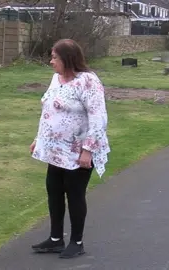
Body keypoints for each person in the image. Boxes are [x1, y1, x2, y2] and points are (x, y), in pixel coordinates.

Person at [29, 39, 110, 259]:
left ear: (68, 58)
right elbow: (48, 111)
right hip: (55, 151)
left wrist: (88, 151)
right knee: (54, 192)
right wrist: (39, 139)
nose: (51, 61)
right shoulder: (56, 79)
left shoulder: (88, 82)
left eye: (55, 57)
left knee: (74, 195)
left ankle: (77, 242)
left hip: (78, 152)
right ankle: (56, 239)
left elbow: (98, 118)